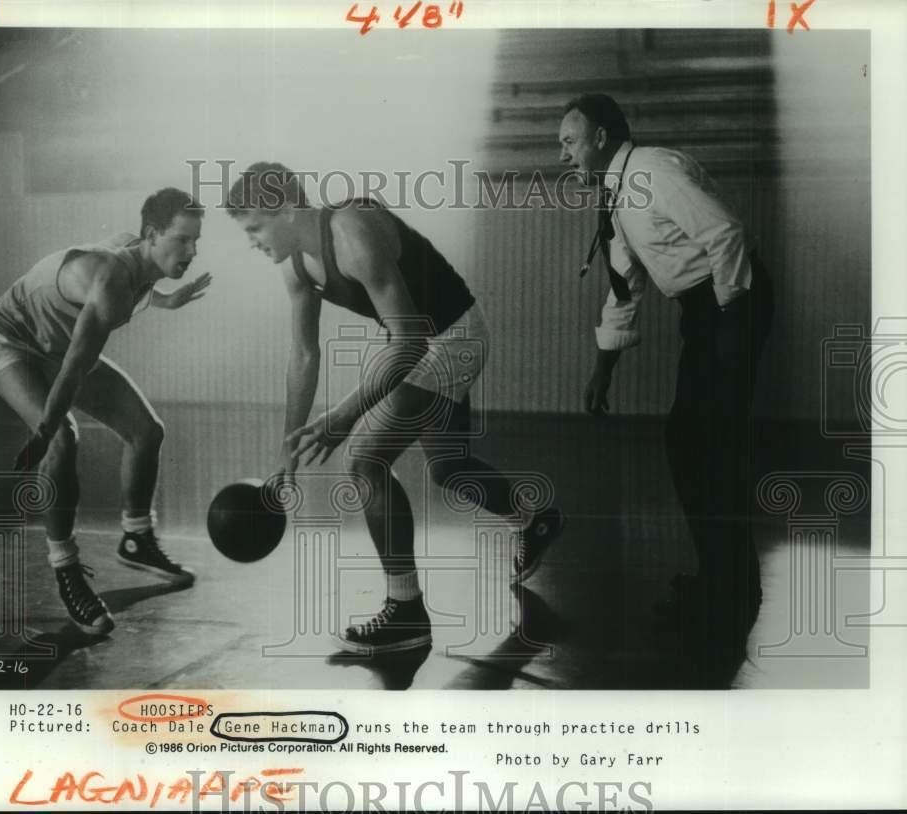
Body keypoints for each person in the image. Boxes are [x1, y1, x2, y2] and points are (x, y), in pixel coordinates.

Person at [226, 163, 564, 655]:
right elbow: (304, 355)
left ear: (284, 209)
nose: (251, 242)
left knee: (365, 459)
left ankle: (405, 612)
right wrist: (288, 450)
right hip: (424, 341)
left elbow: (409, 340)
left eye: (254, 228)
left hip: (452, 337)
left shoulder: (352, 227)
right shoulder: (293, 263)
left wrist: (341, 418)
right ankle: (534, 520)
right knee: (450, 469)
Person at [558, 94, 774, 652]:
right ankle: (726, 581)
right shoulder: (616, 194)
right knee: (691, 442)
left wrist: (727, 322)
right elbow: (624, 288)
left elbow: (725, 232)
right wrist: (602, 370)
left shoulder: (650, 170)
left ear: (601, 137)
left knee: (704, 442)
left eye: (568, 141)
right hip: (709, 311)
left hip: (733, 300)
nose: (562, 154)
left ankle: (730, 591)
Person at [0, 188, 211, 636]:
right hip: (7, 342)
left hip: (55, 346)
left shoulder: (135, 254)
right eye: (183, 240)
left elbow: (138, 289)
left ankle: (136, 538)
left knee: (147, 431)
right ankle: (67, 570)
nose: (193, 251)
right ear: (153, 235)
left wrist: (167, 300)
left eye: (197, 241)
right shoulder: (110, 282)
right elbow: (77, 365)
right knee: (63, 437)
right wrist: (44, 431)